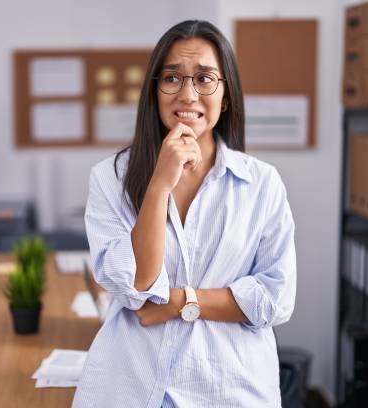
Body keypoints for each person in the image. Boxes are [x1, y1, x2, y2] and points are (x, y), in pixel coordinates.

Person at [72, 20, 296, 407]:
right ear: (155, 91)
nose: (188, 94)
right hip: (132, 386)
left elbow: (275, 299)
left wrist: (180, 302)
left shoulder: (262, 183)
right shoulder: (110, 178)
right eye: (172, 77)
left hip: (228, 391)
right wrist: (159, 185)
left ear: (225, 96)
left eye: (205, 78)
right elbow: (139, 287)